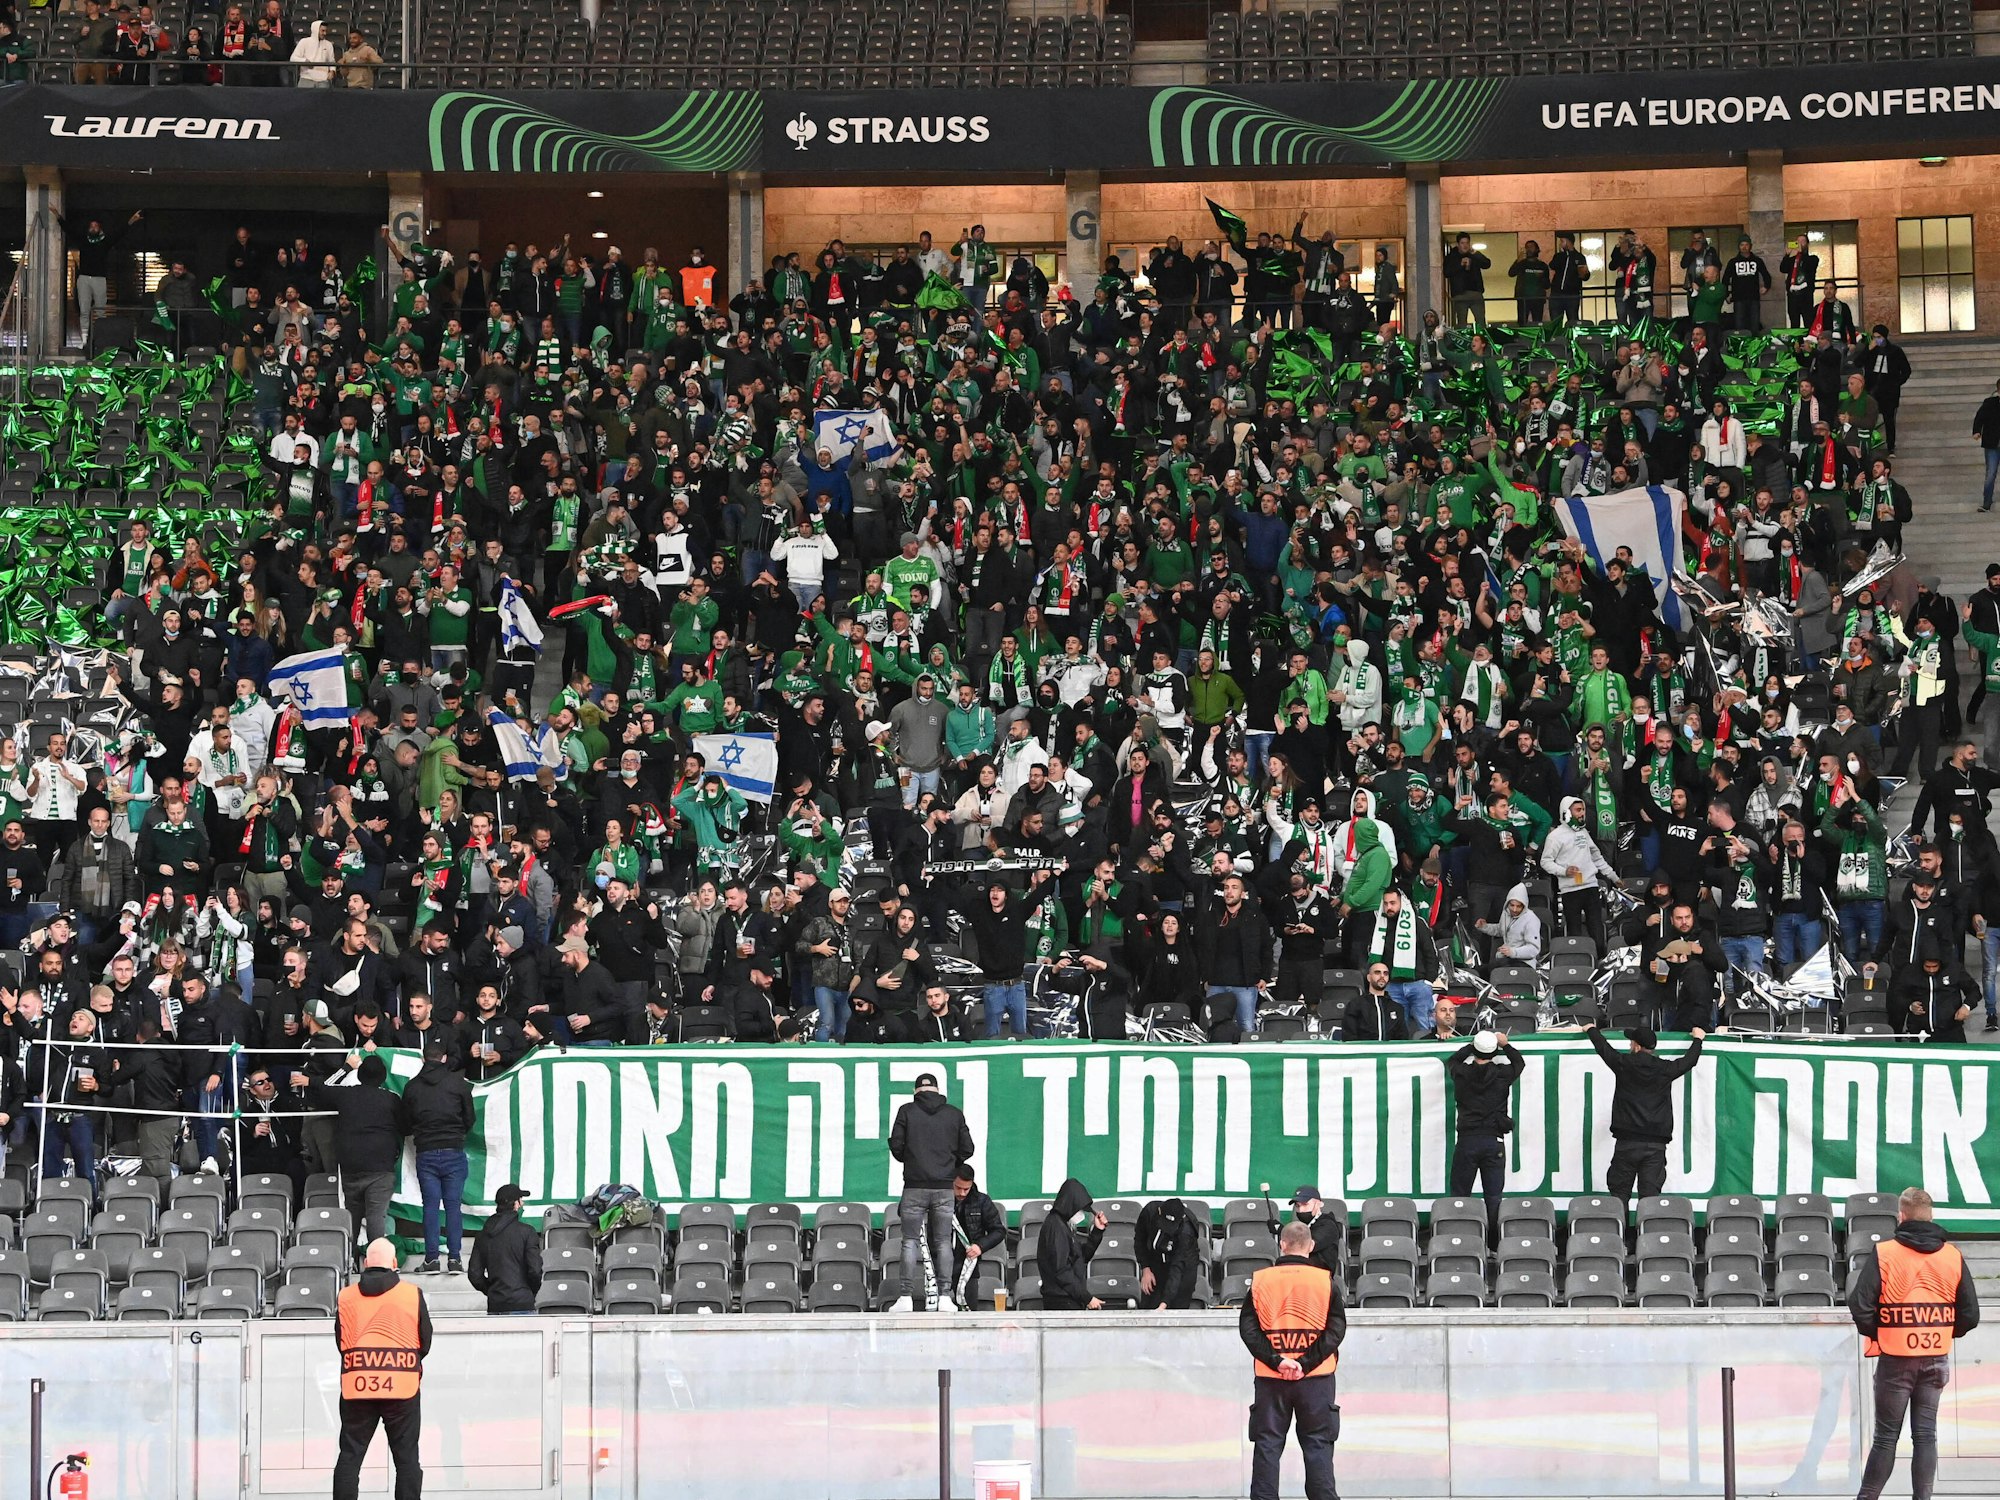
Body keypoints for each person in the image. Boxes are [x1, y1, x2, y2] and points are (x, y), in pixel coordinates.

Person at [1849, 1187, 1980, 1500]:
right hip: (1936, 1358)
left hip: (1896, 1359)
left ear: (1901, 1216)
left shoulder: (1885, 1253)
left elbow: (1860, 1305)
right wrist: (1945, 1331)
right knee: (1925, 1436)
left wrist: (1882, 1334)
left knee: (1885, 1437)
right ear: (1931, 1216)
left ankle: (1867, 1498)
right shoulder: (1952, 1255)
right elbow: (1971, 1314)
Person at [1240, 1219, 1345, 1500]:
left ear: (1282, 1244)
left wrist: (1278, 1361)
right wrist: (1305, 1363)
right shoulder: (1325, 1281)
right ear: (1310, 1246)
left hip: (1271, 1380)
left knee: (1267, 1445)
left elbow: (1248, 1330)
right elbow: (1336, 1330)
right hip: (1316, 1379)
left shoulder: (1261, 1280)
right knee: (1318, 1446)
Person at [334, 1238, 432, 1500]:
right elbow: (425, 1341)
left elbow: (341, 1343)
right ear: (395, 1264)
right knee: (407, 1460)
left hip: (357, 1387)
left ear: (366, 1264)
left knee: (350, 1457)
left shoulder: (345, 1295)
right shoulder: (412, 1294)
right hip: (402, 1388)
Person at [1583, 1023, 1707, 1205]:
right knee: (1650, 1198)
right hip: (1655, 1146)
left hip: (1627, 1143)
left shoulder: (1623, 1064)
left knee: (1619, 1196)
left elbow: (1603, 1048)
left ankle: (1618, 1232)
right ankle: (1648, 1233)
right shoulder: (1665, 1069)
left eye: (1631, 1042)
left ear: (1637, 1046)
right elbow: (1689, 1061)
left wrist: (1591, 1029)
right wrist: (1698, 1040)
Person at [887, 1071, 973, 1310]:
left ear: (916, 1091)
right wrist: (949, 1165)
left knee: (909, 1242)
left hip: (914, 1185)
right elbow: (968, 1149)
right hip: (944, 1187)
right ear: (937, 1090)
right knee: (944, 1241)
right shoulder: (954, 1114)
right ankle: (945, 1297)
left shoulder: (907, 1111)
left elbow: (896, 1146)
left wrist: (913, 1160)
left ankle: (905, 1297)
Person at [306, 1055, 407, 1246]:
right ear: (383, 1077)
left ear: (359, 1075)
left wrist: (346, 1067)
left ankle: (349, 1262)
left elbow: (322, 1087)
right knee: (376, 1216)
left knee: (352, 1215)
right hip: (381, 1166)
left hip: (350, 1165)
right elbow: (406, 1127)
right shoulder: (391, 1099)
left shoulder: (346, 1095)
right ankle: (377, 1265)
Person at [401, 1036, 475, 1272]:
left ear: (423, 1058)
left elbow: (405, 1124)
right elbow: (470, 1119)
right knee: (453, 1207)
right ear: (444, 1058)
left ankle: (432, 1259)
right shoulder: (459, 1084)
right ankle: (455, 1259)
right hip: (454, 1151)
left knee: (430, 1207)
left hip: (426, 1153)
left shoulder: (412, 1087)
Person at [1446, 1031, 1522, 1245]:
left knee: (1460, 1195)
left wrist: (1472, 1045)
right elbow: (1519, 1062)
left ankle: (1459, 1240)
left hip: (1467, 1141)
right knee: (1494, 1196)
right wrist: (1505, 1044)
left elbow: (1453, 1060)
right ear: (1494, 1051)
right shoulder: (1502, 1074)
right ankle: (1494, 1245)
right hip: (1493, 1141)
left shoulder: (1461, 1072)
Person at [467, 1182, 543, 1315]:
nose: (522, 1204)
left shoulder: (482, 1235)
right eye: (521, 1200)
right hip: (523, 1304)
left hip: (496, 1304)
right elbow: (535, 1270)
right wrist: (530, 1292)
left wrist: (492, 1290)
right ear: (516, 1204)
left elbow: (474, 1274)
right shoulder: (527, 1232)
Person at [1037, 1176, 1106, 1310]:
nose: (1081, 1214)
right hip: (1061, 1301)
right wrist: (1086, 1298)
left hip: (1070, 1298)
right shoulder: (1056, 1227)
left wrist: (1097, 1231)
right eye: (1079, 1209)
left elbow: (1081, 1256)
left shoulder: (1064, 1225)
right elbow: (1061, 1270)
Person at [949, 1164, 1007, 1309]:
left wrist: (980, 1246)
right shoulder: (940, 1199)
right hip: (942, 1264)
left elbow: (999, 1231)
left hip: (969, 1266)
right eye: (958, 1188)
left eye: (966, 1189)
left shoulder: (982, 1201)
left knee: (968, 1313)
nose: (962, 1193)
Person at [1135, 1196, 1205, 1309]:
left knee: (1175, 1306)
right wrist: (1146, 1268)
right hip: (1156, 1261)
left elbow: (1177, 1269)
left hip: (1183, 1266)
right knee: (1149, 1304)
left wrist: (1164, 1304)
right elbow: (1139, 1240)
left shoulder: (1187, 1232)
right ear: (1159, 1211)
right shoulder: (1149, 1212)